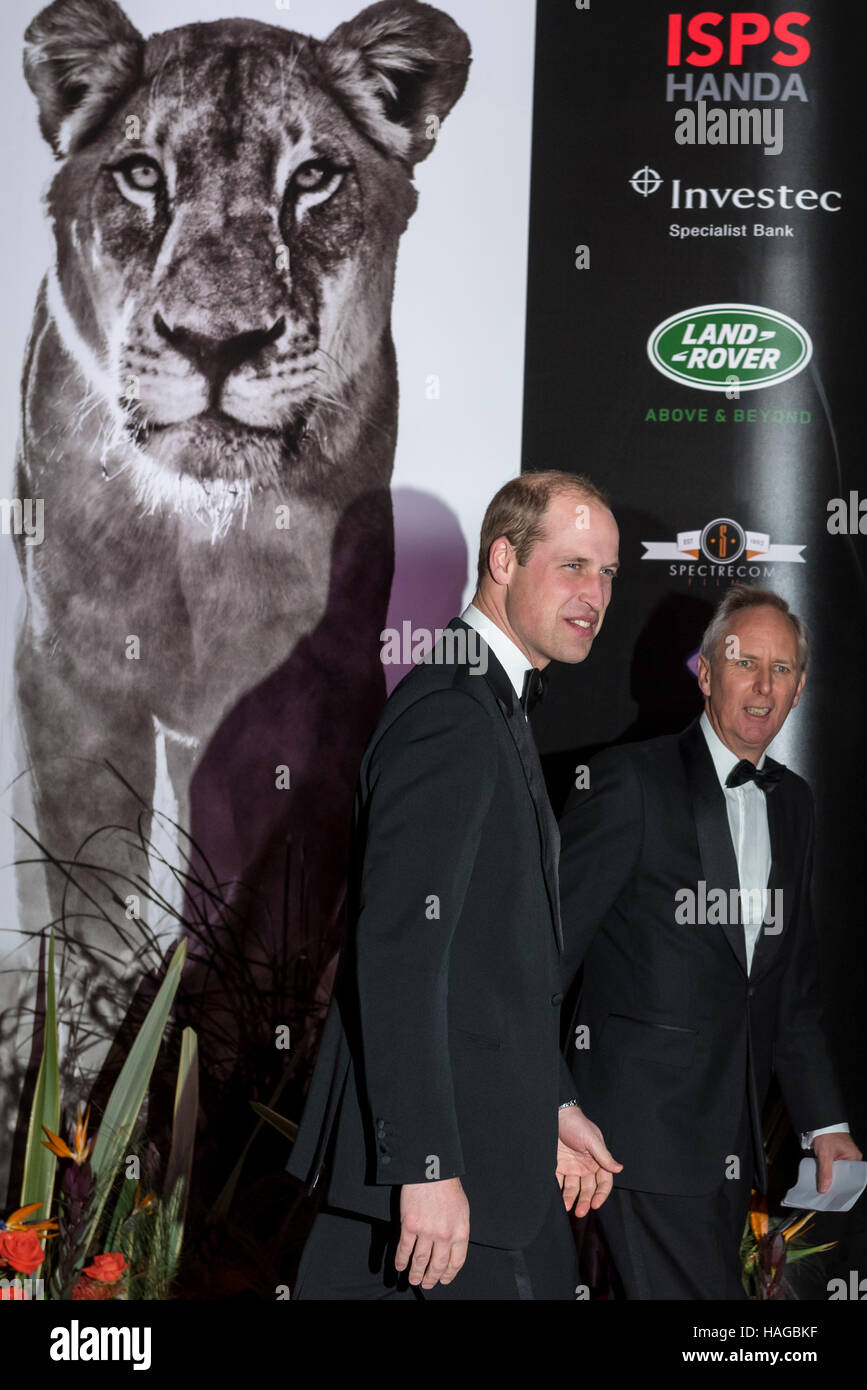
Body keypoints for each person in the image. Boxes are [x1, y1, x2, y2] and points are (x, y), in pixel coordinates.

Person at [288, 470, 622, 1299]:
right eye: (573, 565)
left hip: (487, 1169)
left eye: (609, 573)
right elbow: (399, 953)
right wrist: (427, 1165)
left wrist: (551, 1105)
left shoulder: (488, 703)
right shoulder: (453, 712)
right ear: (502, 559)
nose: (595, 593)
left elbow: (488, 965)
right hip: (439, 1189)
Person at [559, 585, 861, 1299]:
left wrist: (824, 1124)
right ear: (703, 672)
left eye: (780, 669)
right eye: (743, 661)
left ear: (799, 687)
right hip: (632, 1143)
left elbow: (792, 989)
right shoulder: (629, 784)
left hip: (732, 1148)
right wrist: (553, 1107)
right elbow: (540, 955)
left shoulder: (793, 803)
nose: (761, 686)